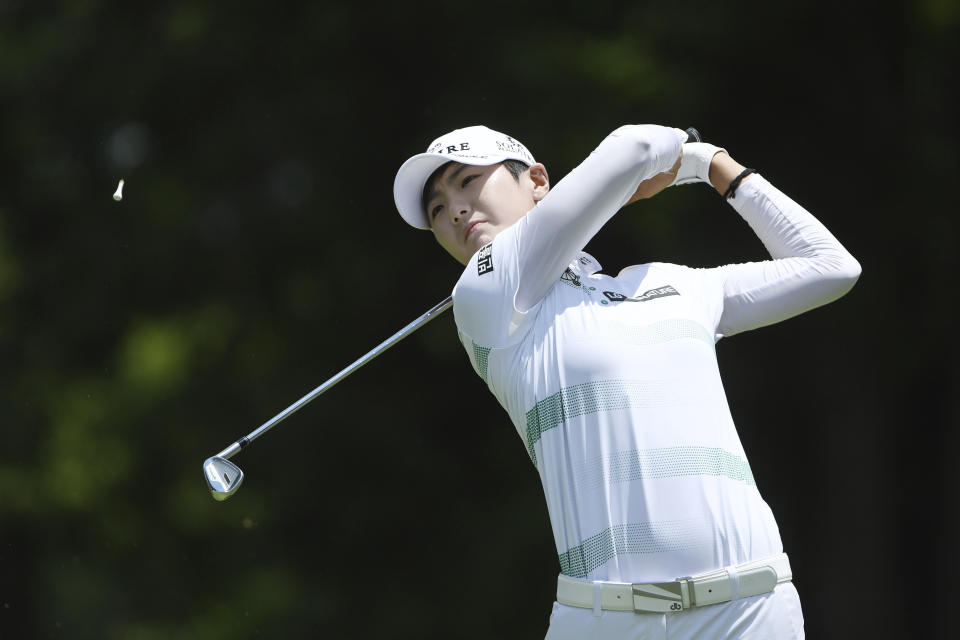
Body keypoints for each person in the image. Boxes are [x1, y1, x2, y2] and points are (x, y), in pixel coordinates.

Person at [393, 124, 860, 639]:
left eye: (468, 181)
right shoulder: (482, 301)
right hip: (604, 620)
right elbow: (634, 147)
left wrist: (715, 167)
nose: (455, 209)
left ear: (538, 181)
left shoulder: (675, 284)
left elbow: (831, 268)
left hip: (749, 609)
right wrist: (680, 157)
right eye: (437, 208)